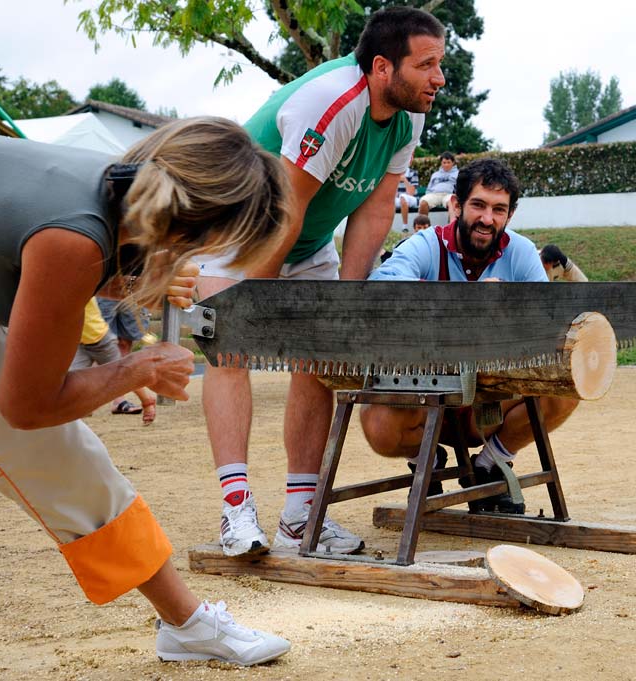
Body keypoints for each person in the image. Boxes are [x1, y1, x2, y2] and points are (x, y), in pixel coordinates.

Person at [0, 118, 293, 664]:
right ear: (194, 226)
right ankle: (187, 625)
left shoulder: (106, 186)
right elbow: (26, 407)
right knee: (51, 446)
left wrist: (134, 282)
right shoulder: (74, 237)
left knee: (67, 459)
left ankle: (187, 625)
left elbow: (11, 253)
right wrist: (134, 370)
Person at [194, 6, 446, 557]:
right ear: (383, 67)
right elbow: (284, 209)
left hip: (306, 239)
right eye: (426, 64)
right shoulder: (331, 103)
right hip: (241, 229)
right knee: (230, 350)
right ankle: (236, 511)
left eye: (440, 64)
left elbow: (376, 207)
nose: (439, 78)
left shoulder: (409, 116)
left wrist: (345, 302)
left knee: (319, 358)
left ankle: (300, 516)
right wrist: (255, 303)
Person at [362, 159, 580, 513]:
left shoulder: (522, 251)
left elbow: (549, 321)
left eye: (499, 209)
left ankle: (489, 464)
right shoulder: (426, 244)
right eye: (478, 205)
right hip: (428, 406)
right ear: (456, 205)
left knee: (569, 382)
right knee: (379, 427)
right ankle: (427, 460)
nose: (487, 219)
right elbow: (382, 287)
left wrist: (509, 311)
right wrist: (467, 301)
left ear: (510, 215)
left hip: (488, 408)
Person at [73, 297, 157, 423]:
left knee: (123, 373)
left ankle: (147, 401)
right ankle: (82, 406)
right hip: (80, 342)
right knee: (72, 377)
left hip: (100, 340)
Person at [419, 151, 459, 222]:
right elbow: (429, 188)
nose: (446, 165)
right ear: (441, 163)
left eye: (448, 162)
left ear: (453, 163)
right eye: (444, 162)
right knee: (423, 202)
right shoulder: (435, 174)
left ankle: (451, 227)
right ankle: (423, 226)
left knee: (452, 203)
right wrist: (427, 195)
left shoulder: (458, 173)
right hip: (435, 194)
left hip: (449, 194)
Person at [396, 157, 419, 229]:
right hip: (397, 199)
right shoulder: (395, 173)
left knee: (403, 196)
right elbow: (393, 193)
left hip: (412, 199)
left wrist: (405, 180)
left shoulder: (413, 173)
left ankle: (405, 226)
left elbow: (411, 193)